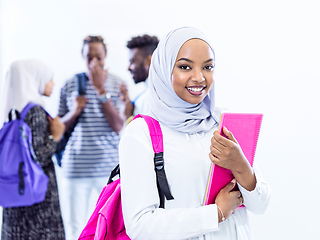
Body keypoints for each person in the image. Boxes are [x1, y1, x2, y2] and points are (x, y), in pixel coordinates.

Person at [119, 27, 270, 239]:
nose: (199, 78)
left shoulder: (224, 122)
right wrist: (215, 214)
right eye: (184, 67)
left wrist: (242, 167)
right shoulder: (140, 133)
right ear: (163, 69)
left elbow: (261, 205)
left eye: (207, 67)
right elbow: (140, 226)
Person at [58, 35, 125, 240]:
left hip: (107, 170)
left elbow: (119, 126)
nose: (94, 62)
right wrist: (75, 111)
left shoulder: (117, 84)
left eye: (99, 57)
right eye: (89, 57)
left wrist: (100, 90)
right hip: (76, 168)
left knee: (108, 228)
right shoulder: (70, 85)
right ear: (82, 56)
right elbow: (58, 129)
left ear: (106, 56)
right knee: (75, 228)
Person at [0, 59, 66, 239]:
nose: (52, 83)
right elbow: (39, 155)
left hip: (16, 191)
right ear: (34, 78)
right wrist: (56, 137)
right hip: (38, 197)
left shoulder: (12, 112)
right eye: (48, 78)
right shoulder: (35, 111)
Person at [119, 34, 159, 122]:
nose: (128, 68)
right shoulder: (147, 93)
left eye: (132, 62)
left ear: (149, 60)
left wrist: (128, 117)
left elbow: (146, 134)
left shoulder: (151, 97)